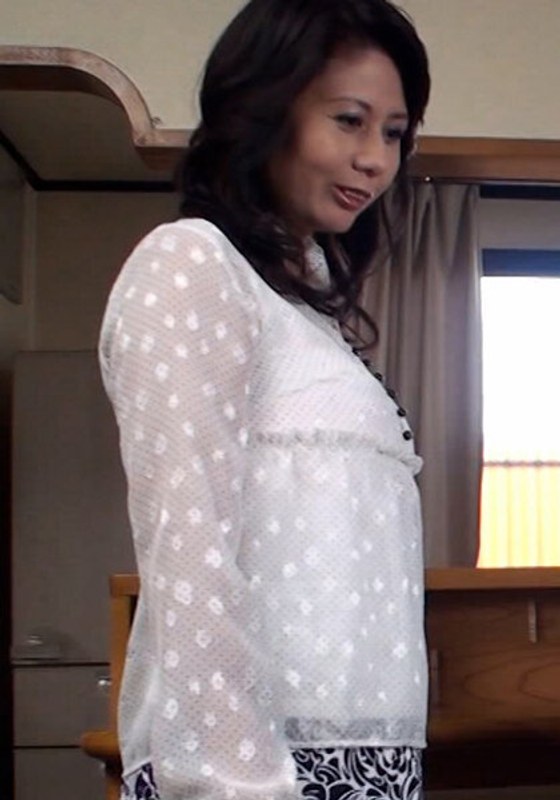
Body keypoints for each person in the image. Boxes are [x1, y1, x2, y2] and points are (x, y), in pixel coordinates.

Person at [99, 0, 431, 798]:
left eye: (393, 133)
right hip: (252, 769)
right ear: (263, 109)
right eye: (349, 121)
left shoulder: (309, 316)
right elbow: (190, 562)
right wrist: (241, 781)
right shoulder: (192, 263)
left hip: (368, 764)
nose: (375, 160)